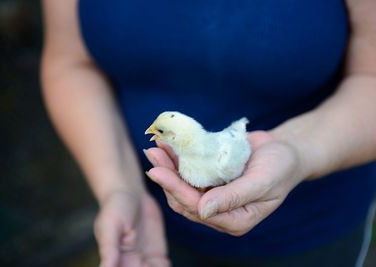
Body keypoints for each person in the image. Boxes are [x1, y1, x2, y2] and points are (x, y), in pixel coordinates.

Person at [41, 0, 376, 266]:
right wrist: (119, 187)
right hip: (149, 223)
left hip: (310, 229)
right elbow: (70, 62)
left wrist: (295, 151)